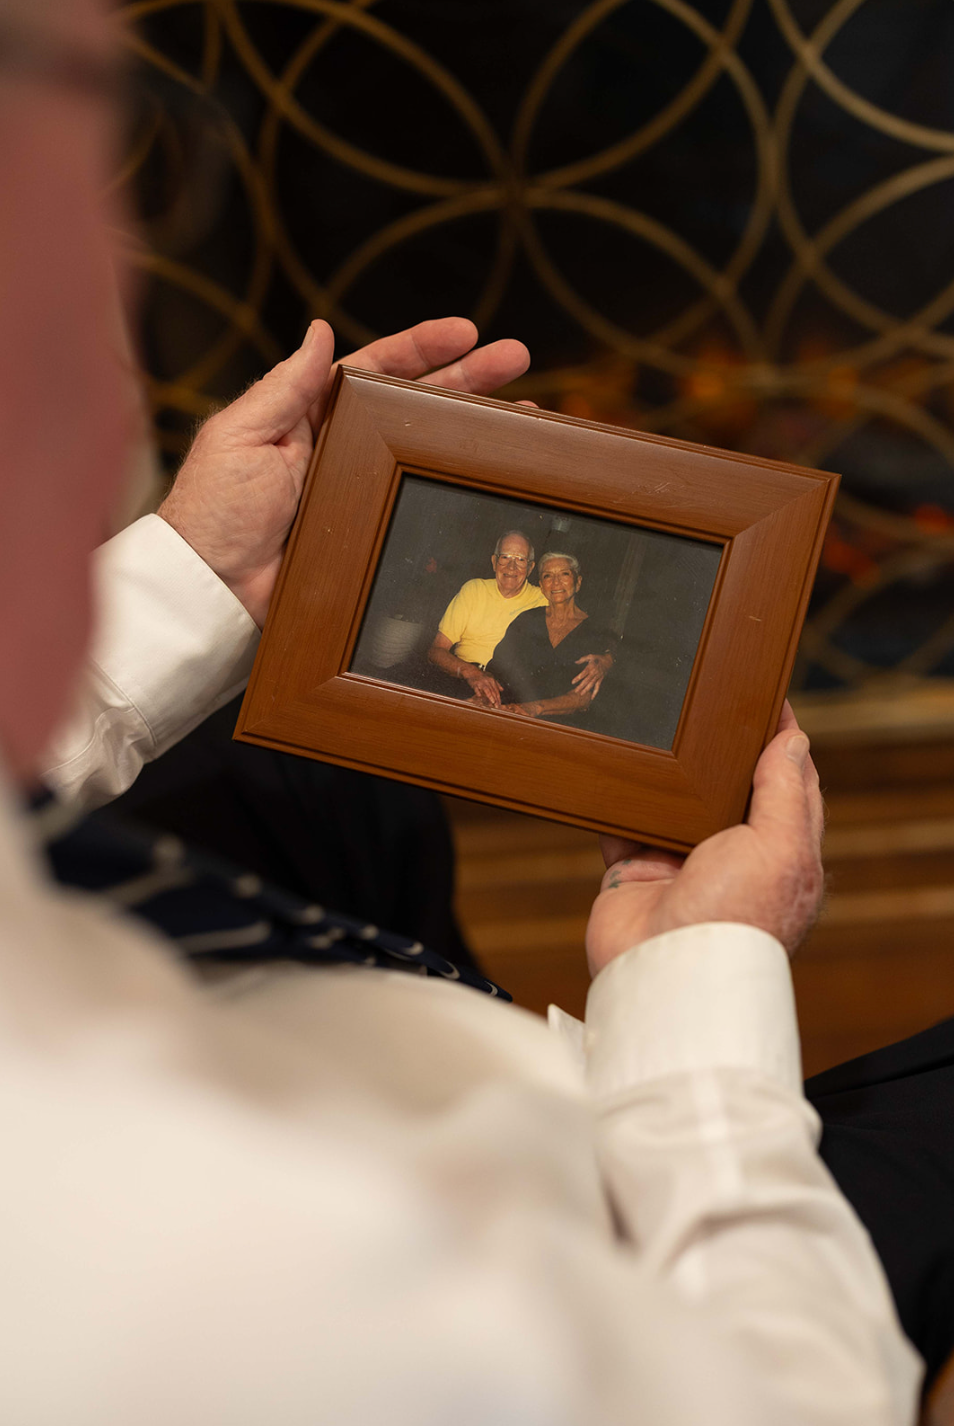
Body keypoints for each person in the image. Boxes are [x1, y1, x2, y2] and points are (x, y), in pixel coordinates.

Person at [0, 0, 922, 1420]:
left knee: (293, 774)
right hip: (598, 1212)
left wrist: (201, 577)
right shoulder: (229, 1271)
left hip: (355, 1001)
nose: (113, 268)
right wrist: (695, 987)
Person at [426, 530, 611, 705]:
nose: (511, 567)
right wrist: (472, 673)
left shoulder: (546, 596)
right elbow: (436, 650)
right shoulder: (473, 590)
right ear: (494, 562)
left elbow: (587, 626)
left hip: (507, 690)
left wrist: (609, 659)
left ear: (530, 567)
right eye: (505, 557)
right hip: (462, 677)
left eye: (520, 560)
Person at [484, 551, 618, 727]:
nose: (555, 582)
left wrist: (533, 708)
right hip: (510, 711)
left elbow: (584, 697)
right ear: (541, 585)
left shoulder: (594, 631)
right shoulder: (526, 619)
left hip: (559, 723)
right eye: (548, 576)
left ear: (578, 583)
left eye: (564, 574)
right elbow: (497, 668)